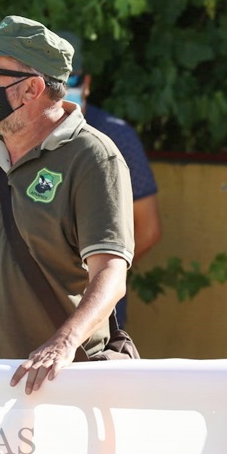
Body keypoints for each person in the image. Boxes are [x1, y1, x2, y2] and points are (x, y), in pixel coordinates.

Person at [0, 16, 134, 394]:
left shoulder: (93, 157)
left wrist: (63, 344)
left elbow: (111, 276)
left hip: (55, 387)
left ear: (32, 88)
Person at [59, 31, 162, 329]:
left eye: (72, 80)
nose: (63, 90)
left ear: (87, 83)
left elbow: (149, 228)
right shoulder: (18, 135)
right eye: (53, 81)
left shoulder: (117, 137)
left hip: (97, 312)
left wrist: (100, 274)